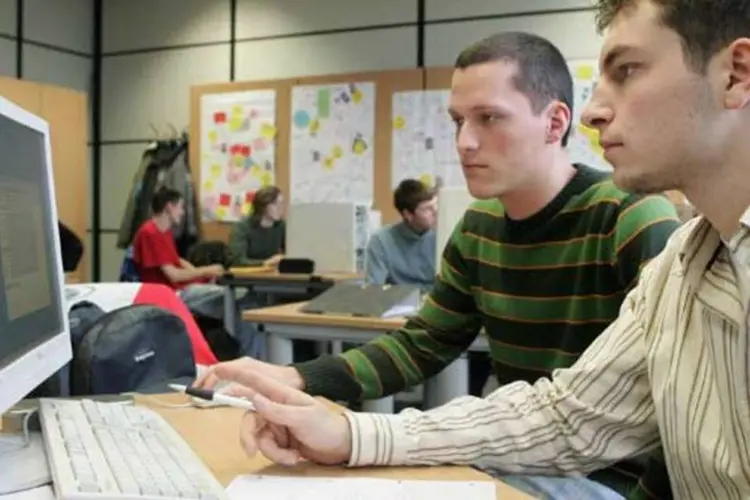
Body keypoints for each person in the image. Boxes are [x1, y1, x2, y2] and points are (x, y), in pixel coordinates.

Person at [203, 0, 750, 498]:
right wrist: (342, 422)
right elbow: (568, 416)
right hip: (539, 455)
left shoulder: (634, 220)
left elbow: (626, 442)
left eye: (627, 71)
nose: (595, 110)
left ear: (737, 74)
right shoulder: (683, 264)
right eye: (458, 122)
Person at [132, 187, 224, 288]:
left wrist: (201, 275)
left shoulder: (164, 231)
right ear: (169, 207)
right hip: (168, 292)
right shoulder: (149, 233)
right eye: (181, 207)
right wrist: (205, 271)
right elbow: (174, 275)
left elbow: (176, 259)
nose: (182, 212)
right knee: (226, 295)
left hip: (179, 288)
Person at [365, 179, 438, 292]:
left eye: (435, 205)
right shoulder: (381, 240)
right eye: (428, 209)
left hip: (436, 304)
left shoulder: (442, 236)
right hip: (398, 303)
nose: (436, 212)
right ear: (407, 214)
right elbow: (374, 289)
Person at [228, 186, 285, 267]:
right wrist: (265, 263)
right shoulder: (242, 227)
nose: (280, 208)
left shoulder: (280, 226)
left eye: (281, 203)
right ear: (262, 206)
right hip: (246, 275)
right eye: (274, 204)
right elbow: (237, 261)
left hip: (271, 273)